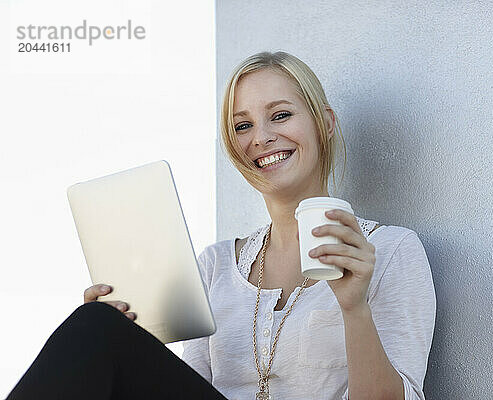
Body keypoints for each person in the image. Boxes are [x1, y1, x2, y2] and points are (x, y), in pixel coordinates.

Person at [7, 51, 436, 400]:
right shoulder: (215, 266)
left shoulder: (391, 251)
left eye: (281, 115)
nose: (261, 137)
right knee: (96, 325)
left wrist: (353, 307)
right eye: (243, 125)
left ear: (324, 123)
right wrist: (128, 345)